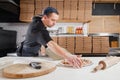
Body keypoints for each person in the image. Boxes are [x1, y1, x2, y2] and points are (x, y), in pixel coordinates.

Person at [17, 7, 83, 68]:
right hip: (26, 55)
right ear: (45, 17)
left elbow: (38, 16)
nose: (55, 23)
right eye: (53, 20)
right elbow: (51, 44)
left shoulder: (40, 20)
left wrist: (70, 55)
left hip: (33, 50)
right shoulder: (38, 29)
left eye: (56, 20)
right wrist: (68, 56)